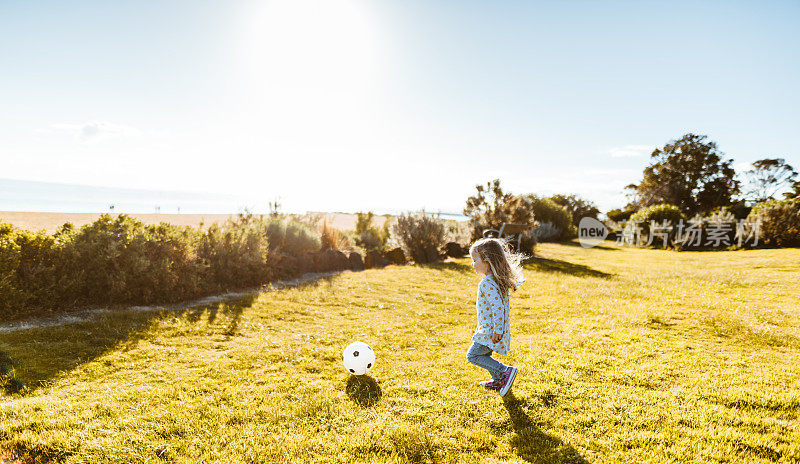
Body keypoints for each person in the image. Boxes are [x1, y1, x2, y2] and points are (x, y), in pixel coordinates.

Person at [466, 237, 526, 396]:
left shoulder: (487, 282)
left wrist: (497, 331)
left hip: (490, 330)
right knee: (485, 354)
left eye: (474, 260)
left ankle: (505, 371)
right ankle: (498, 380)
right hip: (492, 328)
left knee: (473, 355)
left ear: (486, 261)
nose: (472, 264)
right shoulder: (496, 280)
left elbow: (498, 308)